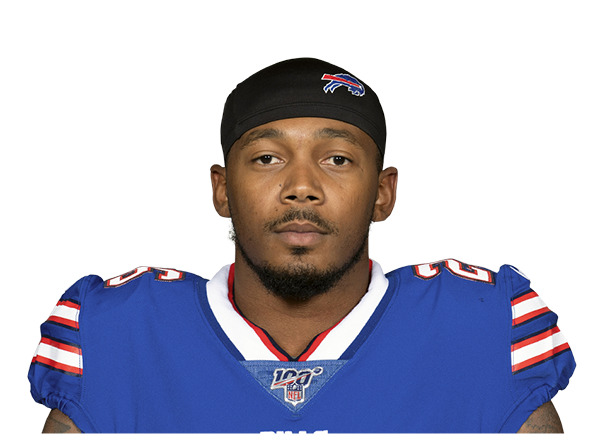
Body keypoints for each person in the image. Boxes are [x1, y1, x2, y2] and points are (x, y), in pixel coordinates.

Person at [28, 58, 575, 434]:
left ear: (383, 194)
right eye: (267, 158)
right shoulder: (117, 330)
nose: (301, 186)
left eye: (337, 159)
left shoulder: (479, 325)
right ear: (222, 190)